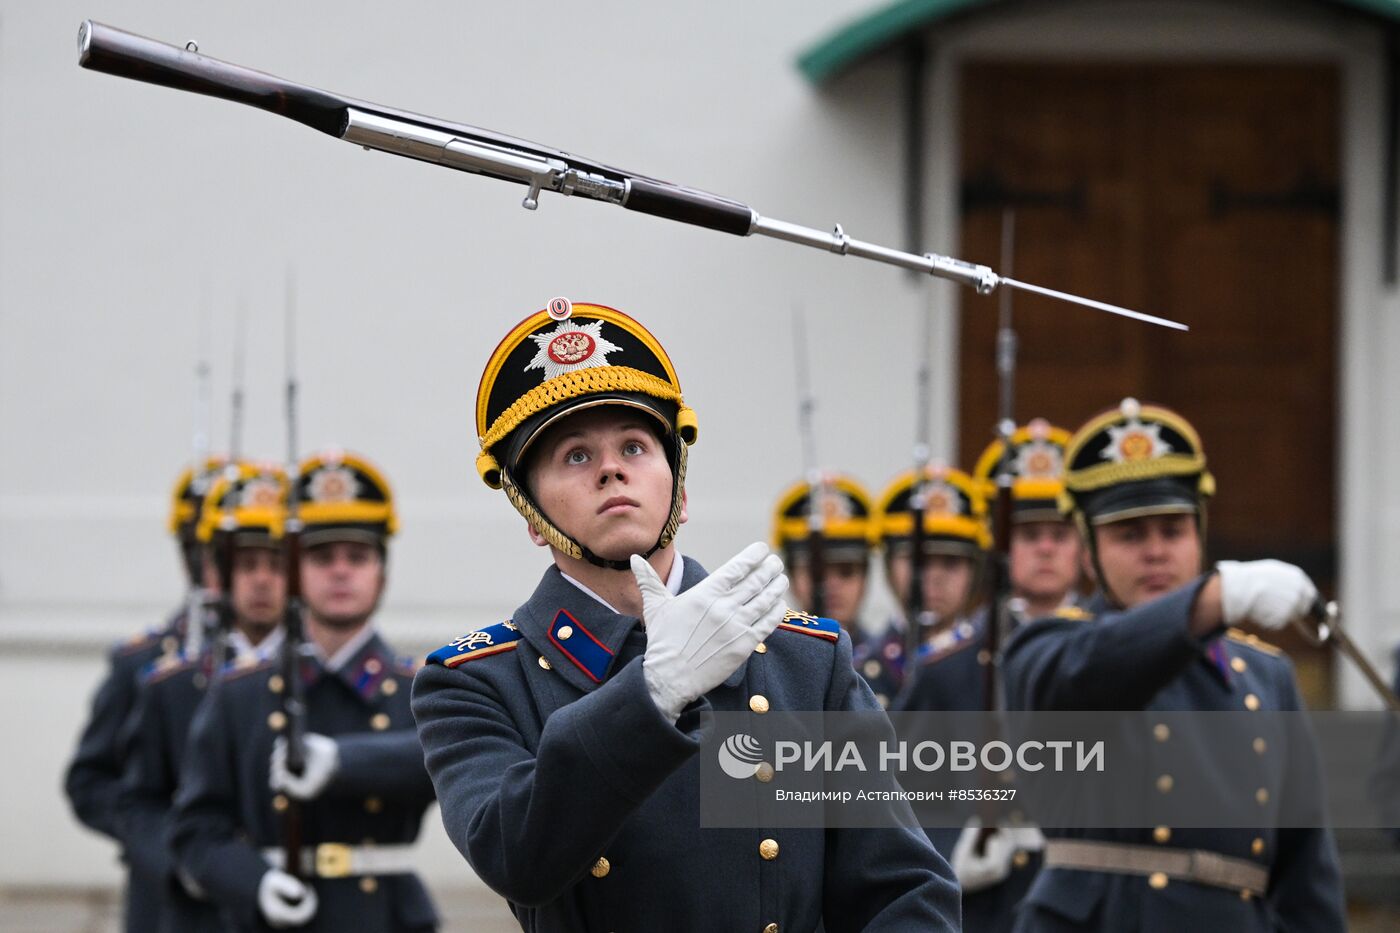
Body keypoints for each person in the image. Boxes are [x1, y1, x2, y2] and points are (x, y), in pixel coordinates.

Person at [412, 300, 960, 932]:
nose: (612, 467)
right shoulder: (475, 681)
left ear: (680, 486)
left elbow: (904, 890)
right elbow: (518, 858)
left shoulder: (803, 662)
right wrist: (649, 694)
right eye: (575, 456)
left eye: (636, 445)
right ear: (530, 514)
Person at [1003, 398, 1345, 931]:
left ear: (1200, 535)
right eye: (1130, 535)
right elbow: (1090, 676)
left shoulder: (1265, 674)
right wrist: (1219, 596)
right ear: (1089, 553)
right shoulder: (1046, 649)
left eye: (1173, 530)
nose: (1156, 552)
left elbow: (1307, 877)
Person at [171, 451, 438, 932]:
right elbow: (196, 830)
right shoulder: (240, 693)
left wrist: (341, 761)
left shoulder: (418, 688)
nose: (340, 571)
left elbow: (446, 760)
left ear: (382, 572)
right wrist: (252, 883)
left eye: (357, 557)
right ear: (294, 571)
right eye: (321, 557)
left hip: (384, 917)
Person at [892, 419, 1082, 930]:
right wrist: (956, 847)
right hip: (987, 905)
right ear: (998, 547)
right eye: (1027, 534)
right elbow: (904, 800)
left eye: (1060, 534)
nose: (1045, 548)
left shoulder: (1119, 657)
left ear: (1083, 545)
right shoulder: (946, 670)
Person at [119, 461, 290, 931]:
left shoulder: (315, 682)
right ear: (218, 573)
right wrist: (183, 864)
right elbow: (138, 802)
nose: (261, 580)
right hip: (195, 908)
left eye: (277, 565)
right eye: (246, 565)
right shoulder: (172, 683)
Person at [64, 456, 223, 933]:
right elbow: (90, 782)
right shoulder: (145, 663)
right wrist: (169, 845)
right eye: (212, 552)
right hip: (170, 905)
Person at [771, 474, 898, 701]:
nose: (831, 584)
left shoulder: (893, 669)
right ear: (791, 573)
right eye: (816, 572)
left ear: (866, 577)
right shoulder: (769, 660)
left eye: (846, 571)